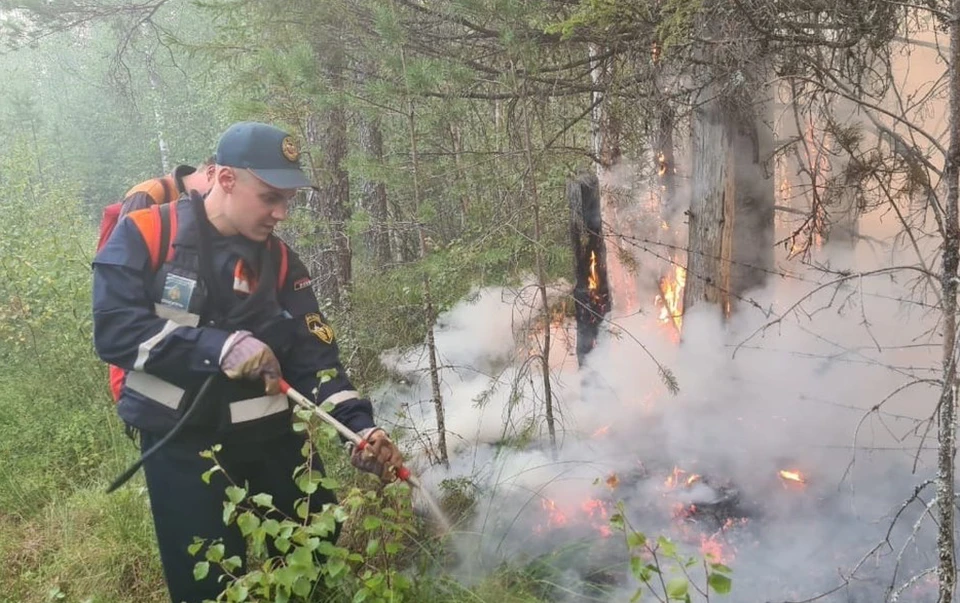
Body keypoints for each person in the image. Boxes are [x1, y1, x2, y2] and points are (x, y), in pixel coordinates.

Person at [92, 121, 403, 603]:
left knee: (317, 545)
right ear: (225, 178)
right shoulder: (146, 232)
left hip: (272, 440)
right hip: (182, 446)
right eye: (270, 197)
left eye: (288, 201)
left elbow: (314, 358)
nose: (281, 213)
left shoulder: (280, 263)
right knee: (208, 583)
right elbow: (115, 332)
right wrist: (215, 348)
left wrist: (357, 428)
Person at [98, 158, 217, 402]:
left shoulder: (186, 199)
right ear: (212, 173)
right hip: (143, 336)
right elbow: (128, 275)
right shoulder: (148, 195)